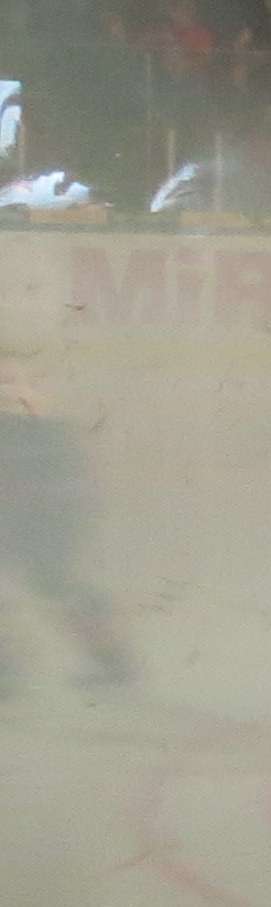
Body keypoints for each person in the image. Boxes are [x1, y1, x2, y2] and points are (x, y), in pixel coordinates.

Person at [0, 289, 133, 697]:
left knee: (60, 586)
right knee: (54, 587)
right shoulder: (33, 425)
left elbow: (74, 481)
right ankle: (11, 668)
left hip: (45, 519)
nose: (9, 390)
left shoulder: (44, 429)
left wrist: (74, 513)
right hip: (29, 517)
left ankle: (112, 661)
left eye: (12, 382)